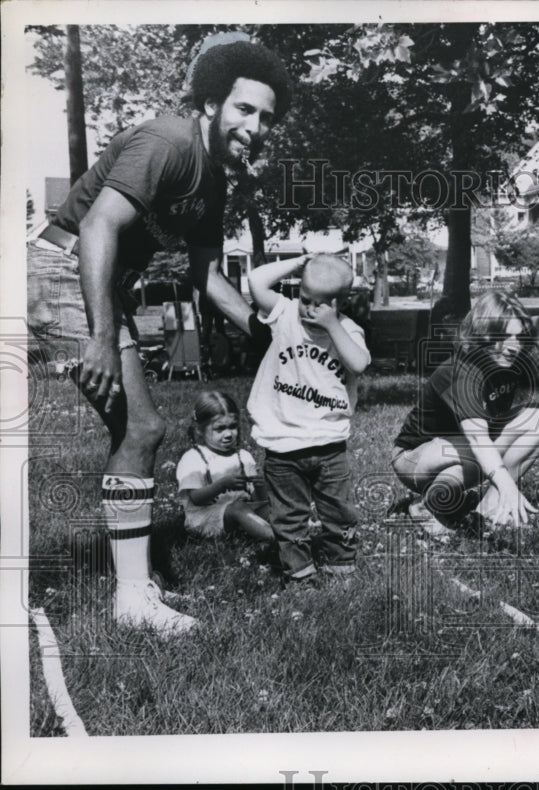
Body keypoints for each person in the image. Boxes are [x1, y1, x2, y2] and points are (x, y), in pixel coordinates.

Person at [25, 38, 293, 635]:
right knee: (144, 426)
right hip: (60, 269)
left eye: (267, 118)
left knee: (138, 427)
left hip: (96, 283)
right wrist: (100, 335)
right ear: (211, 103)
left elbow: (206, 276)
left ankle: (132, 589)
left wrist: (267, 332)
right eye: (245, 110)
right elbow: (98, 224)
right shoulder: (169, 140)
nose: (256, 127)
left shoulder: (215, 182)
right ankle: (131, 598)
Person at [392, 291, 539, 535]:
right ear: (481, 333)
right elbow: (478, 440)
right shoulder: (461, 370)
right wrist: (507, 484)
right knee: (487, 449)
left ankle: (487, 509)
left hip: (465, 449)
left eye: (519, 336)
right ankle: (428, 505)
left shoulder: (521, 355)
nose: (512, 346)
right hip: (416, 457)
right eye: (502, 335)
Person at [247, 254, 370, 584]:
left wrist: (332, 324)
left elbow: (358, 363)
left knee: (339, 512)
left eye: (319, 303)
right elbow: (256, 281)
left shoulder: (346, 330)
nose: (308, 308)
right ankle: (299, 574)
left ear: (338, 303)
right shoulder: (285, 315)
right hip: (282, 445)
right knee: (288, 517)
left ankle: (341, 567)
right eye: (305, 298)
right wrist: (298, 263)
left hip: (329, 444)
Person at [176, 391, 273, 543]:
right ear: (200, 430)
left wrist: (260, 486)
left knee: (272, 507)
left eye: (232, 427)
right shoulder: (193, 458)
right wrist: (222, 485)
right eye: (220, 429)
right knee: (238, 508)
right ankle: (277, 539)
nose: (228, 434)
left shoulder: (243, 456)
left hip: (241, 513)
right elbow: (196, 499)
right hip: (205, 518)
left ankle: (294, 532)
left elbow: (257, 500)